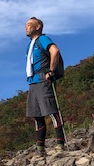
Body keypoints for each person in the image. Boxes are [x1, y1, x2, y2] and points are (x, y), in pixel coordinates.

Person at [25, 17, 65, 158]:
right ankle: (40, 149)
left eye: (29, 25)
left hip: (43, 80)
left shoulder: (42, 39)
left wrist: (51, 71)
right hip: (32, 82)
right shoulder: (31, 44)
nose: (26, 27)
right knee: (37, 115)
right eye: (26, 25)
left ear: (38, 26)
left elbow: (55, 51)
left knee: (52, 111)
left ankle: (60, 145)